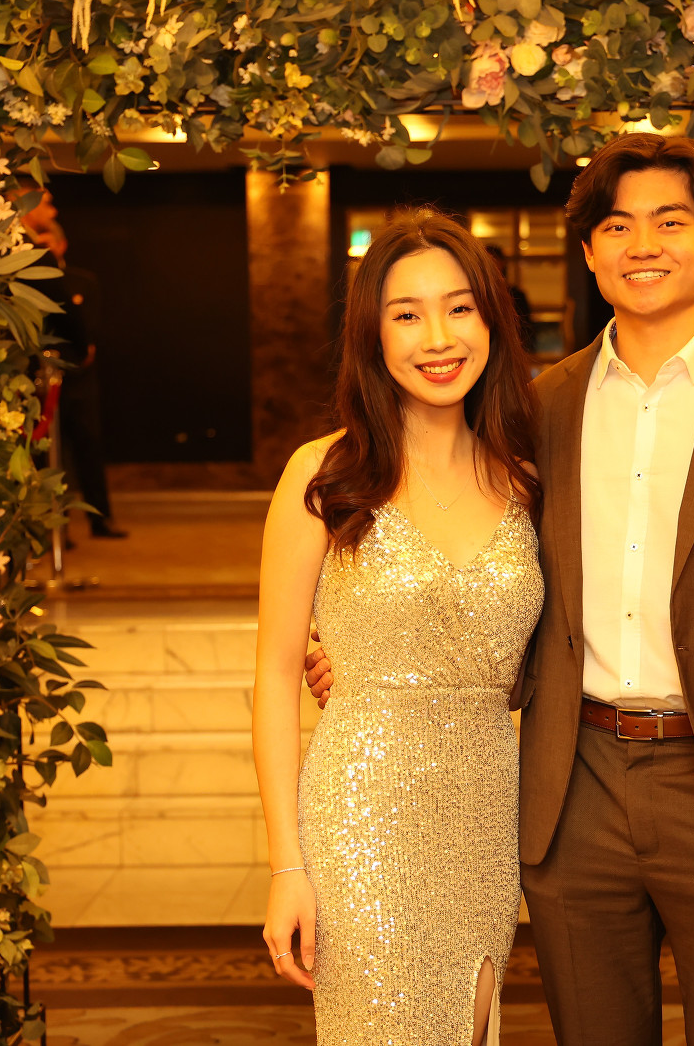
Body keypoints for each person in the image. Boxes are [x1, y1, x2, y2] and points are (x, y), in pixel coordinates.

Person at [310, 134, 694, 1046]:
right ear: (588, 250)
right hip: (573, 786)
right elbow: (484, 563)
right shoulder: (536, 407)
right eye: (617, 226)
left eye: (670, 221)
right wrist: (374, 651)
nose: (643, 244)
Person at [254, 208, 542, 1046]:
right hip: (363, 817)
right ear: (372, 336)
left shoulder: (526, 480)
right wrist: (286, 865)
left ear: (491, 320)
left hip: (487, 816)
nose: (438, 338)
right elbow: (273, 676)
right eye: (407, 314)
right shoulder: (323, 474)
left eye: (459, 308)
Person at [16, 186, 127, 540]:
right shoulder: (24, 264)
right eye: (46, 204)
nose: (52, 211)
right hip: (40, 375)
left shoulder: (82, 281)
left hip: (77, 377)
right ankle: (52, 528)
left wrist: (77, 351)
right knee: (45, 453)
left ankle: (100, 518)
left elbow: (85, 329)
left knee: (87, 448)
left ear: (62, 246)